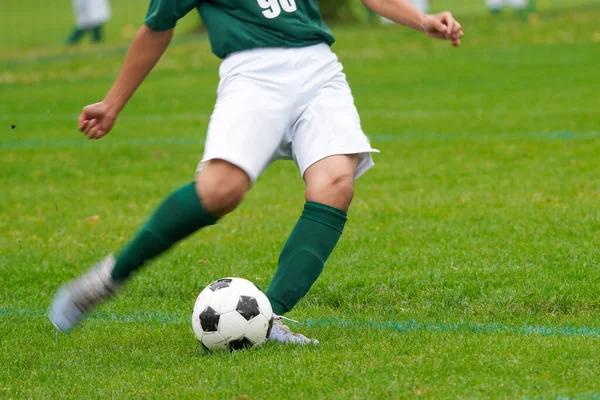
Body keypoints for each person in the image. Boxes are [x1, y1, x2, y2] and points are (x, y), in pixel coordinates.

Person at [48, 0, 463, 344]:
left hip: (318, 67)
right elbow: (157, 26)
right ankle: (108, 278)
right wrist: (113, 103)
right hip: (252, 73)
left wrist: (421, 19)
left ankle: (269, 318)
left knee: (336, 184)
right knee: (219, 191)